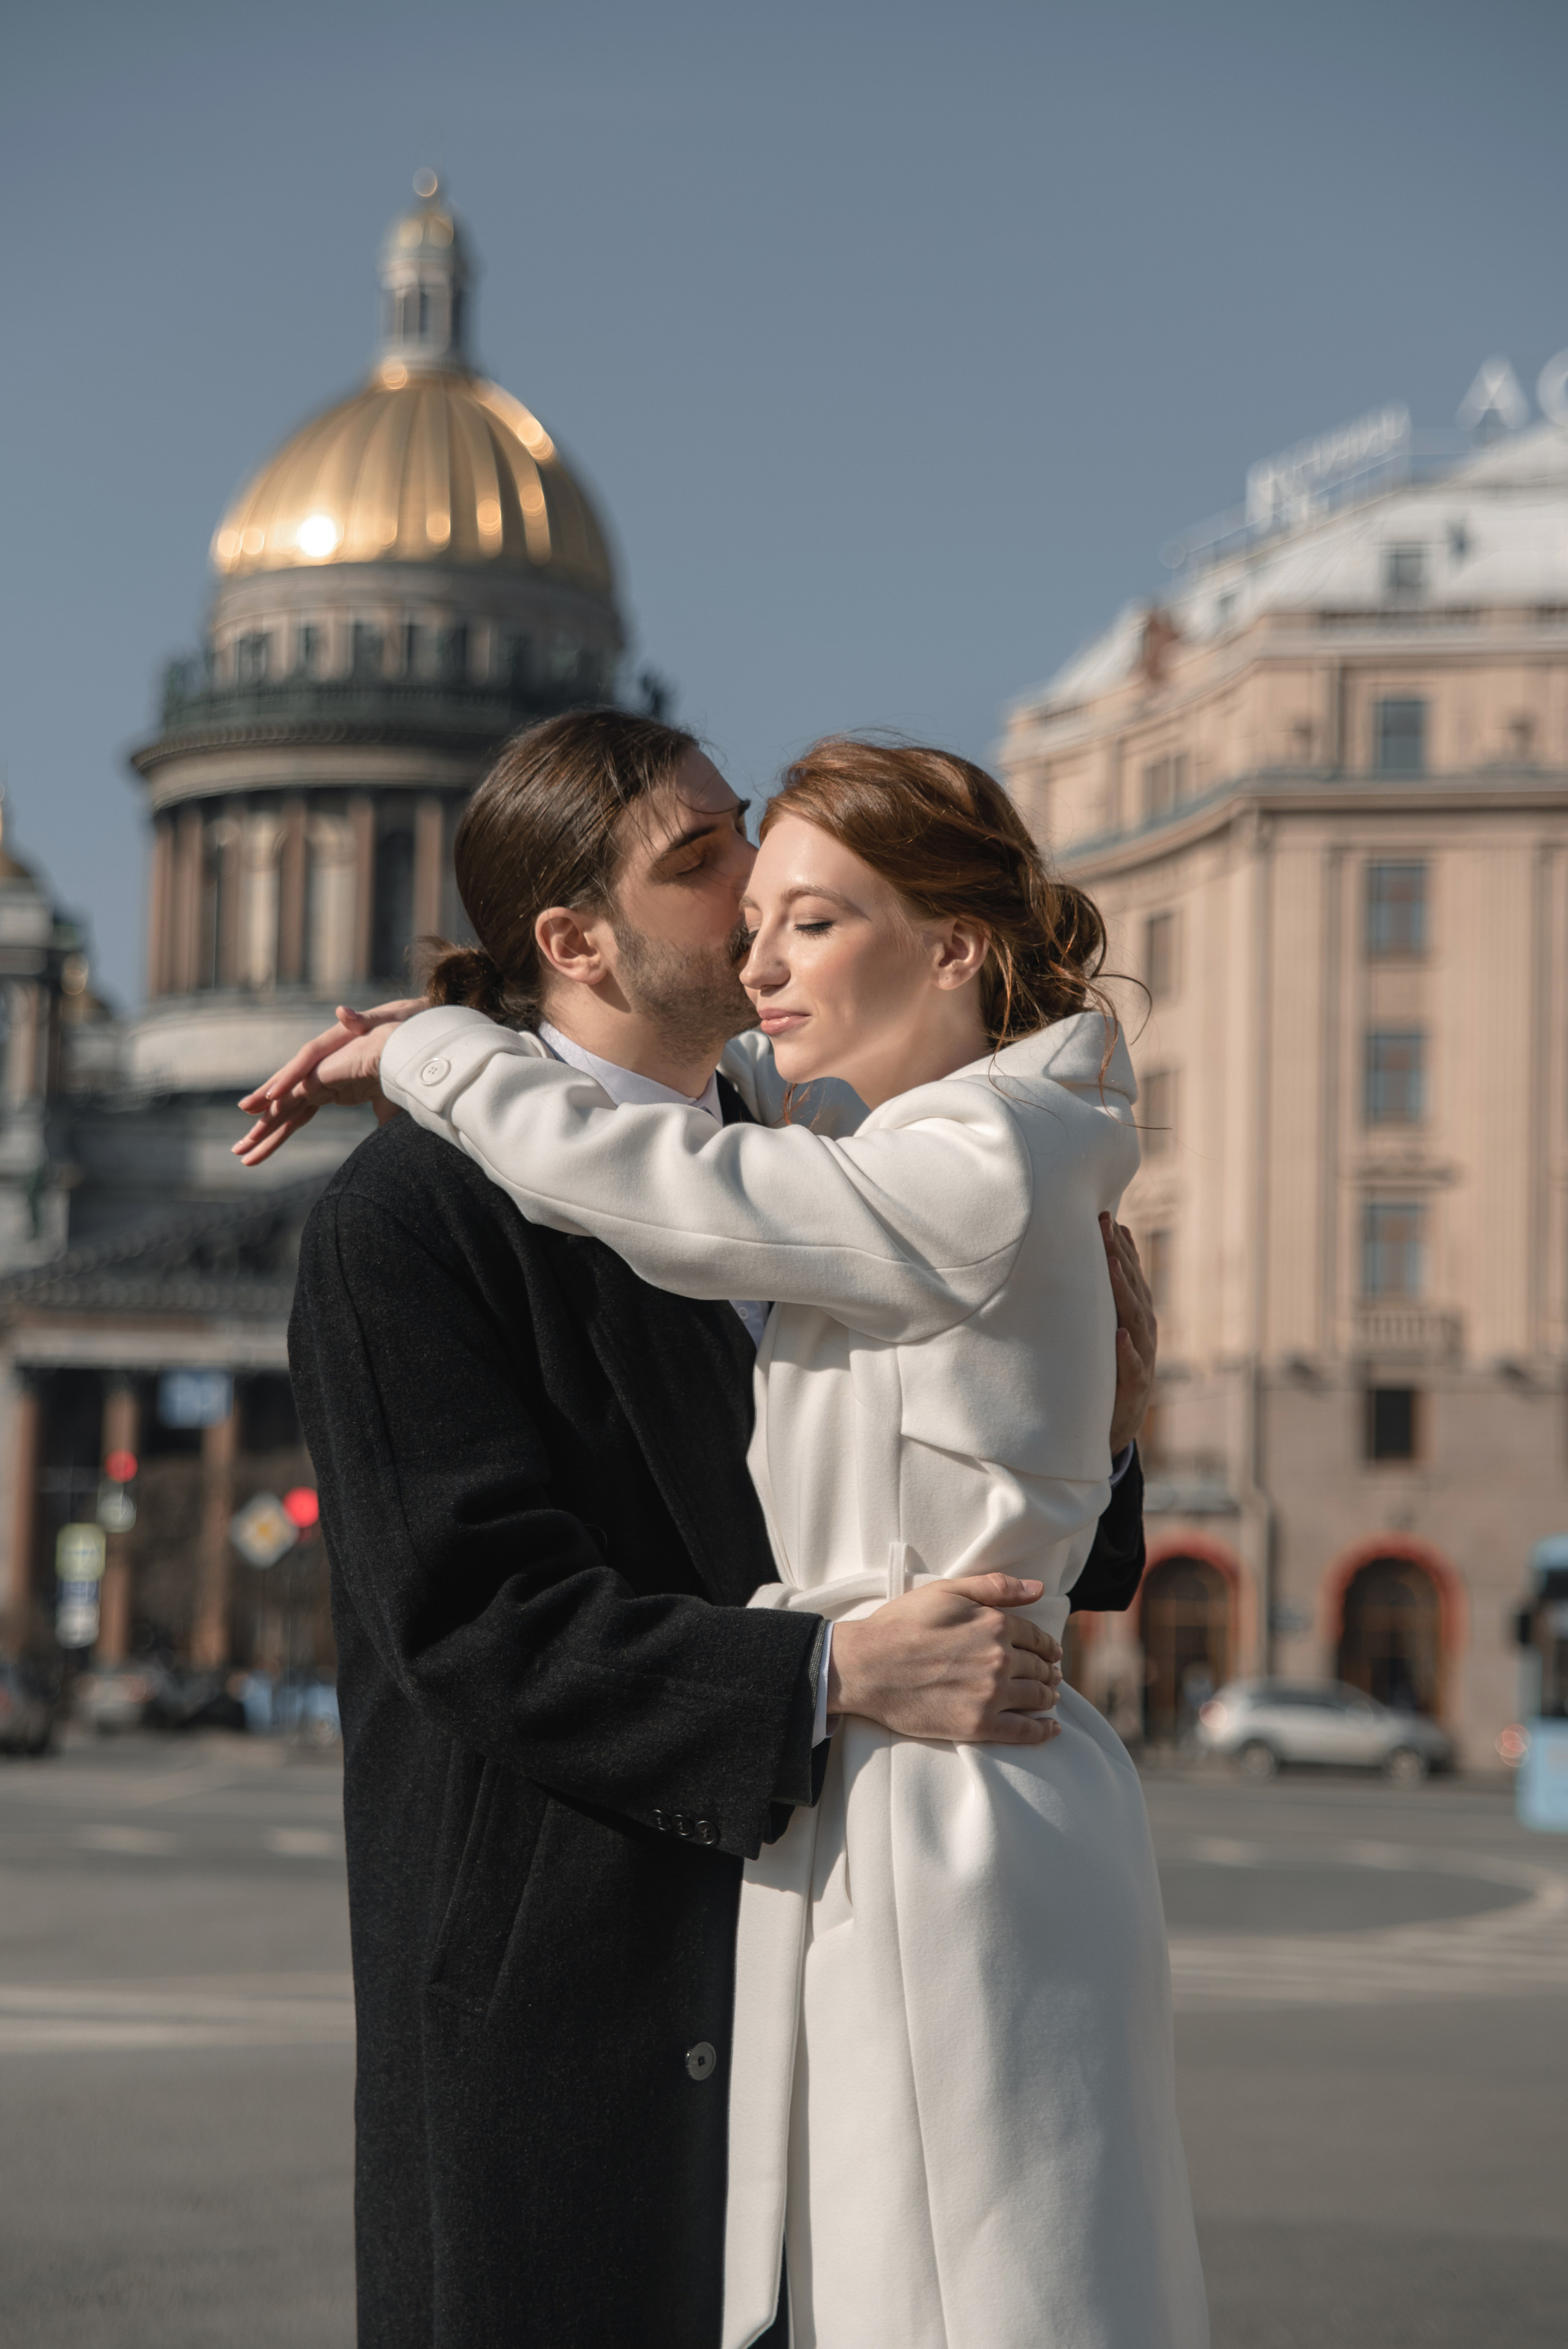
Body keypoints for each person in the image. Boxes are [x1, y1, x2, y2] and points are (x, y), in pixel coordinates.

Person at [249, 722, 1204, 2348]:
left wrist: (1099, 1429)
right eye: (701, 861)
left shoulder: (825, 1163)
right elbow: (477, 1618)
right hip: (574, 2004)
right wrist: (826, 1671)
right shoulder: (410, 1216)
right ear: (572, 942)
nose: (753, 880)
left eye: (749, 835)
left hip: (826, 1970)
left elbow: (960, 1510)